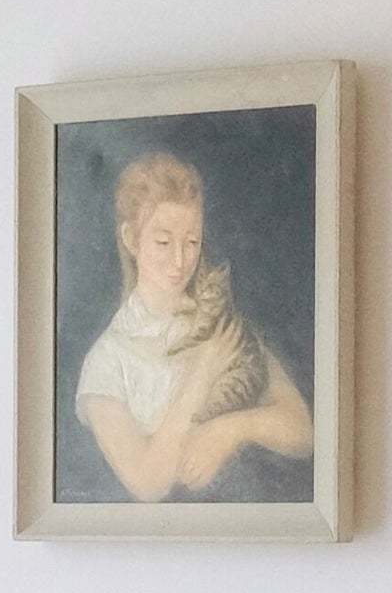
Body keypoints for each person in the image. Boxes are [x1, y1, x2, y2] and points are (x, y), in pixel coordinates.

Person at [73, 153, 311, 500]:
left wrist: (229, 430)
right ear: (130, 239)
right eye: (164, 242)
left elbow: (302, 428)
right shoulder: (107, 360)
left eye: (192, 242)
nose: (181, 261)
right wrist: (202, 371)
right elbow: (148, 483)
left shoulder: (217, 320)